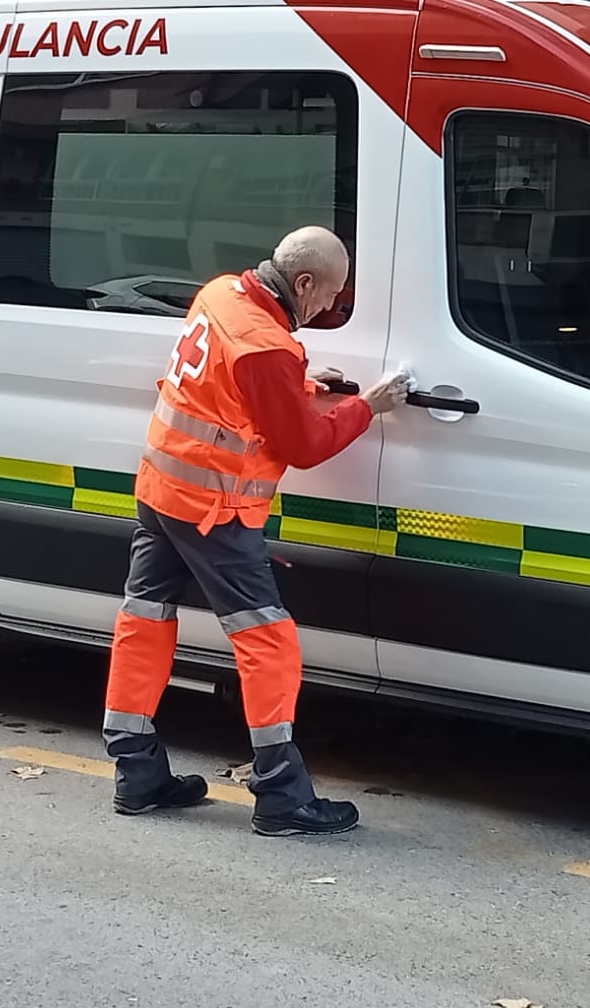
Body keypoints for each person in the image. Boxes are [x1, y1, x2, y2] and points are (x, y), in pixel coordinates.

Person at [102, 227, 411, 836]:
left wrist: (295, 385)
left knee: (143, 622)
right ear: (302, 283)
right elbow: (303, 444)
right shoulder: (268, 347)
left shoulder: (221, 294)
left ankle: (136, 773)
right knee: (269, 641)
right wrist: (366, 406)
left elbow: (229, 385)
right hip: (215, 510)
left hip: (161, 490)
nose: (328, 309)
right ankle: (281, 795)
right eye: (329, 296)